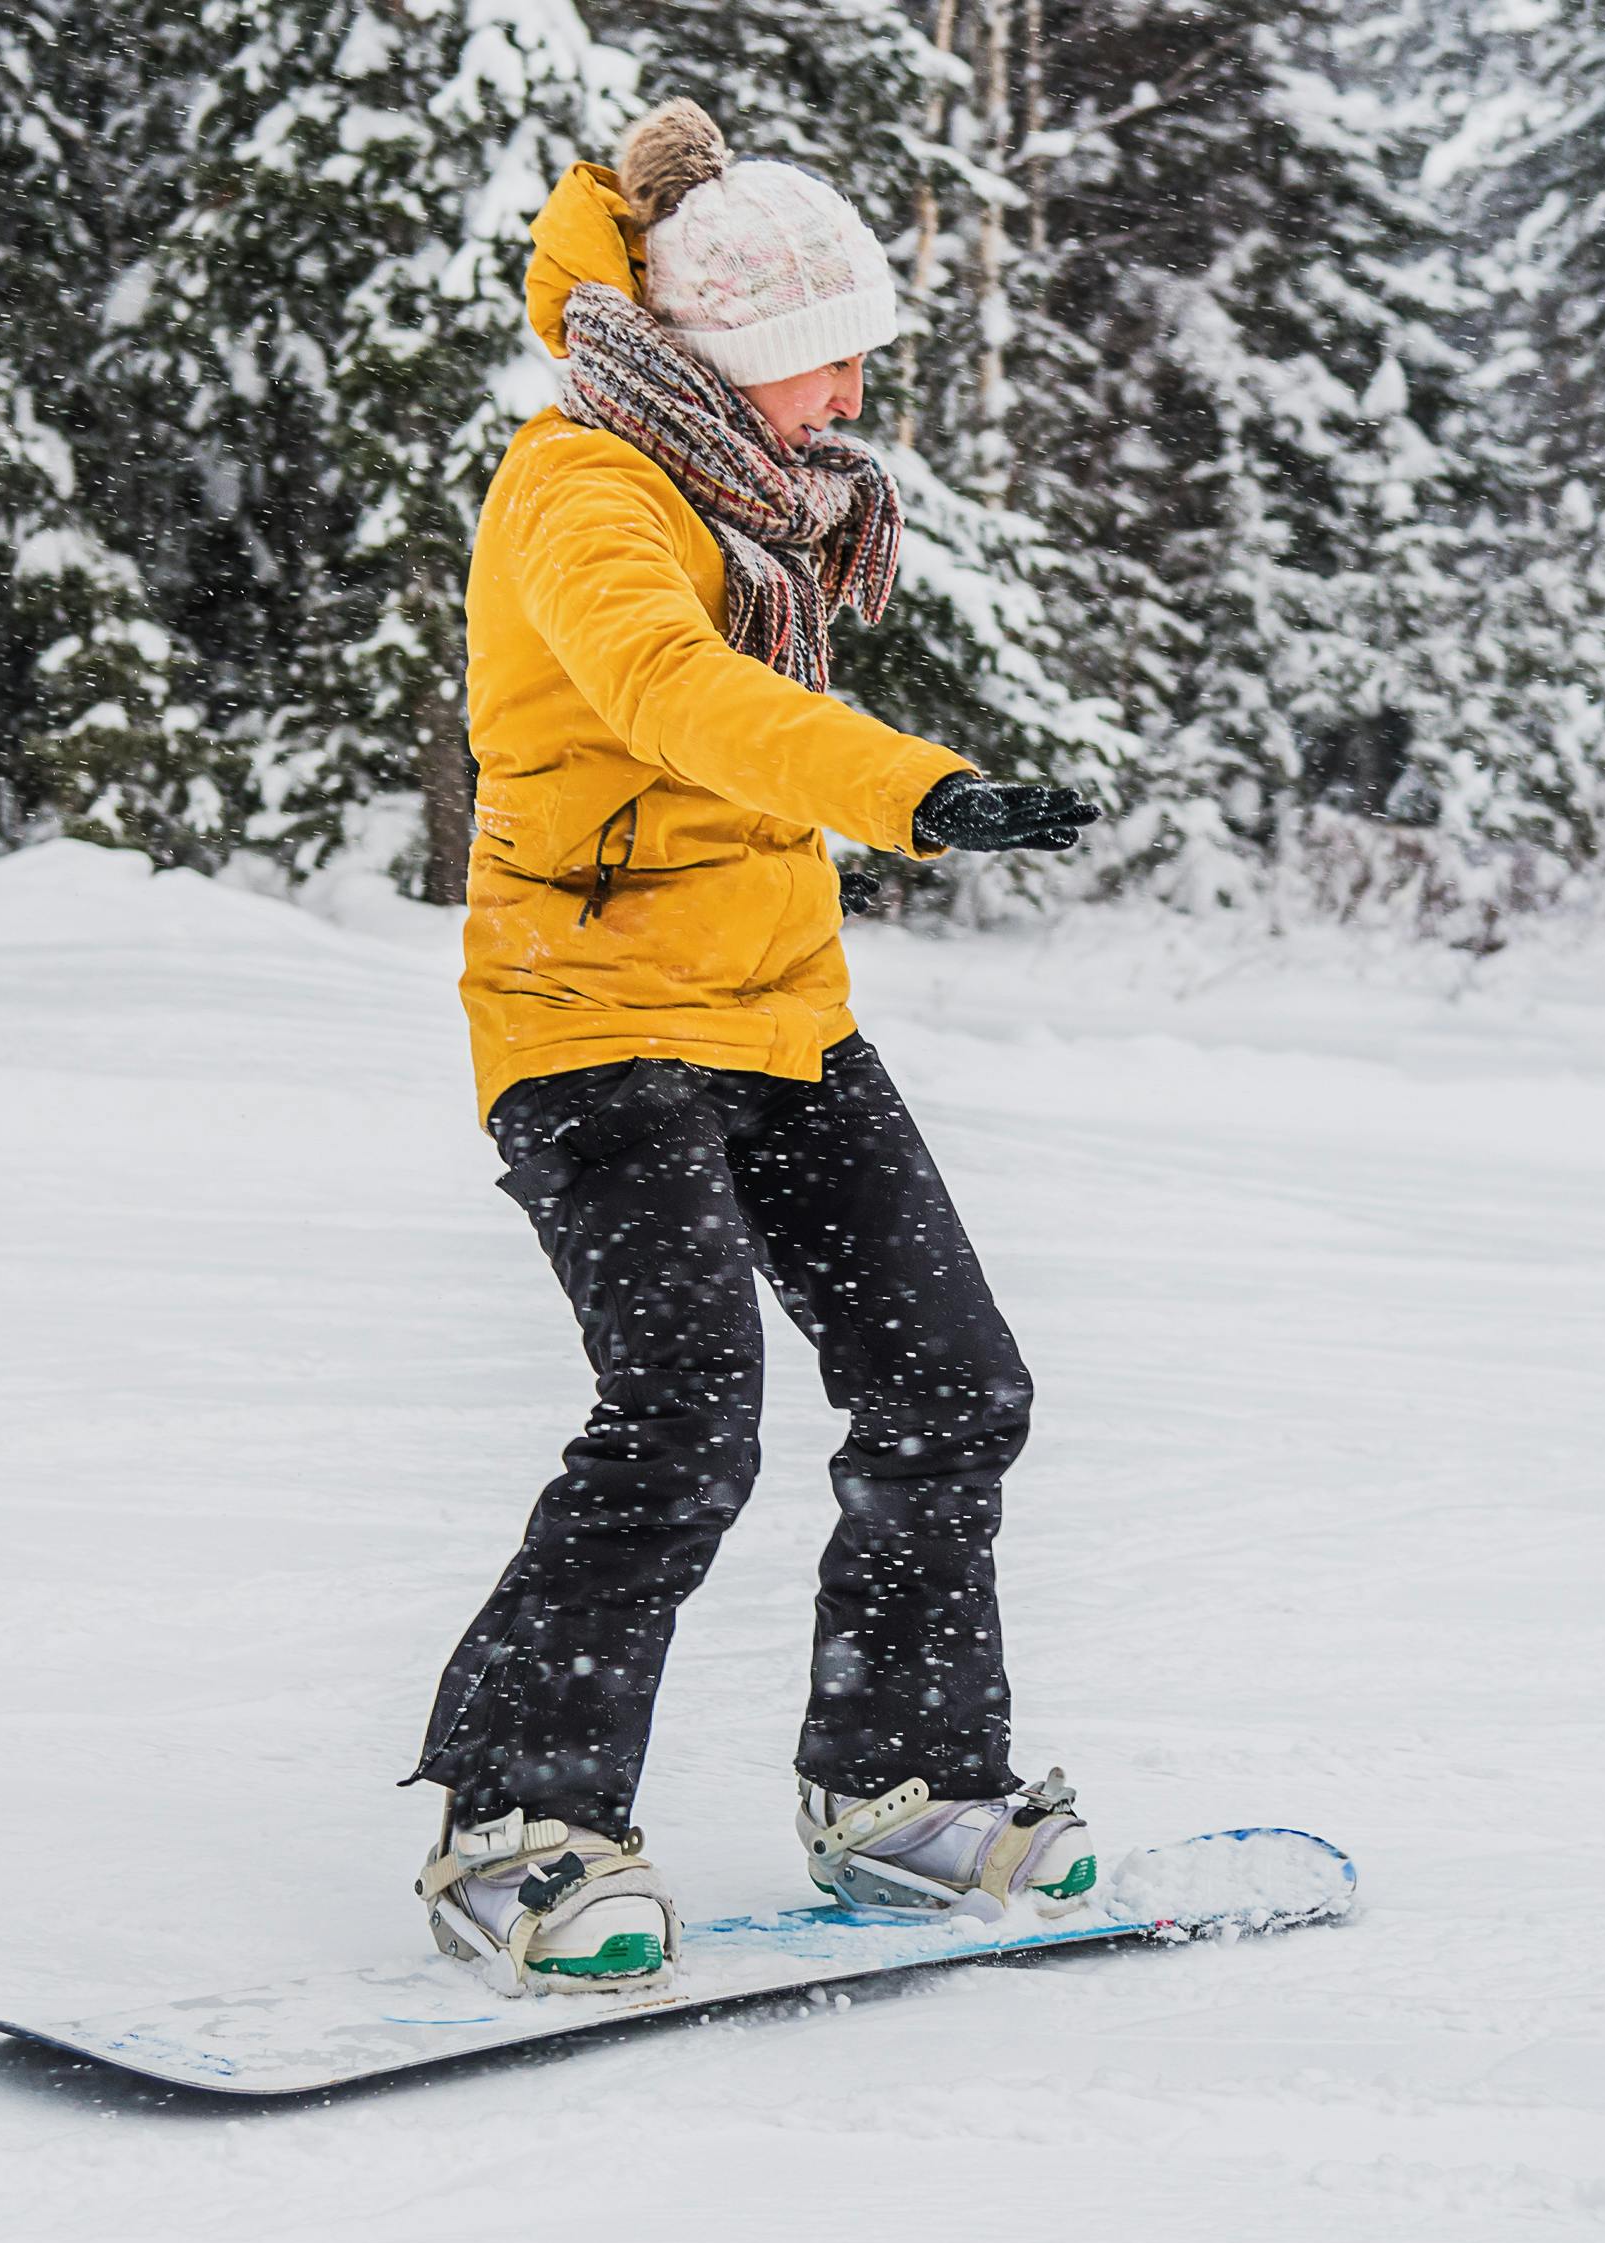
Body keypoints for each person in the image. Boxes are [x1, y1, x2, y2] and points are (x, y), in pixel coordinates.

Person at [408, 101, 1103, 1996]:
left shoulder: (737, 484)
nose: (859, 388)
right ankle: (519, 1824)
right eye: (834, 353)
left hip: (777, 1011)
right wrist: (922, 792)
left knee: (952, 1386)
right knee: (684, 1415)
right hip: (587, 1010)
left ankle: (899, 1790)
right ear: (728, 355)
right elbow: (678, 695)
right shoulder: (583, 489)